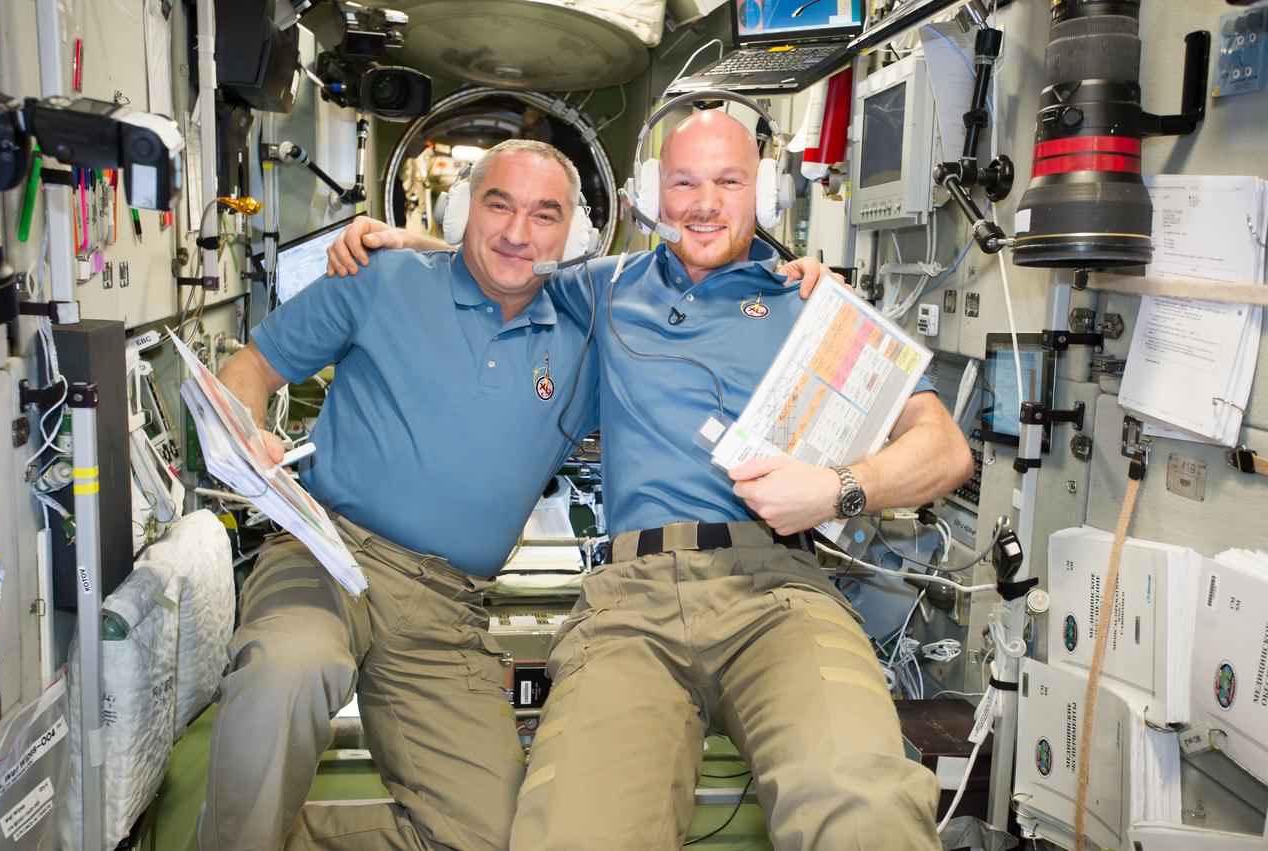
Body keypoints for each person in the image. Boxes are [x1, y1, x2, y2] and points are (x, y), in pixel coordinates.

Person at [328, 110, 973, 849]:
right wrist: (406, 245)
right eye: (684, 182)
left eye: (727, 181)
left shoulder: (814, 305)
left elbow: (945, 448)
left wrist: (835, 488)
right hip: (629, 605)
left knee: (862, 803)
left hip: (778, 593)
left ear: (759, 191)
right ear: (651, 195)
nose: (704, 202)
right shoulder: (605, 287)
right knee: (572, 832)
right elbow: (501, 257)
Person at [203, 139, 602, 851]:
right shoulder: (381, 279)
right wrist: (245, 431)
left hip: (445, 603)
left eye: (545, 214)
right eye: (498, 203)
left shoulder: (586, 341)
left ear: (575, 235)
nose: (517, 231)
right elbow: (254, 365)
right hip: (327, 552)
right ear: (462, 209)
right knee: (290, 671)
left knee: (488, 836)